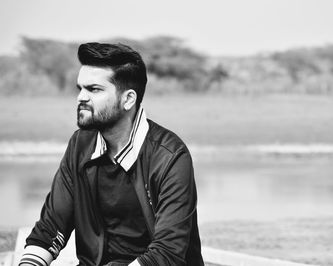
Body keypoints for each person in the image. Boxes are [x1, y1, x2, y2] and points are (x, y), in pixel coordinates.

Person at [19, 42, 204, 266]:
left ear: (128, 99)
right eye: (80, 88)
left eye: (94, 89)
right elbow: (50, 230)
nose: (81, 98)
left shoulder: (171, 156)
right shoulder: (80, 145)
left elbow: (167, 253)